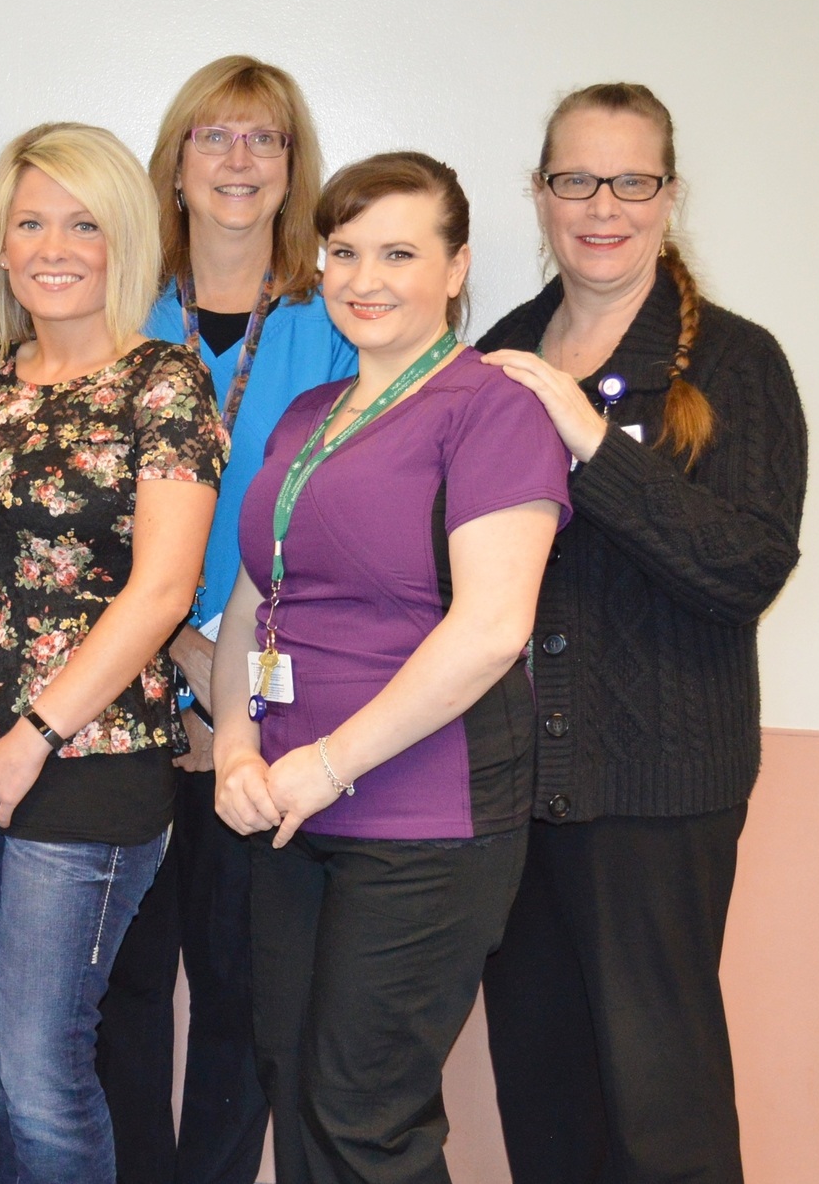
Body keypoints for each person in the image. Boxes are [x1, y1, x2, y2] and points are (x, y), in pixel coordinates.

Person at [210, 151, 569, 1184]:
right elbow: (249, 603)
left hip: (422, 817)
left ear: (456, 270)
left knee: (364, 1112)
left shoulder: (489, 410)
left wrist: (325, 763)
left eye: (398, 253)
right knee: (293, 1080)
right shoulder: (303, 415)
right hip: (284, 807)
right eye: (343, 252)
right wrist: (235, 745)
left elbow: (492, 628)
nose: (363, 278)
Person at [477, 84, 806, 1184]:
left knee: (660, 1115)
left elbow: (745, 566)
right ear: (539, 193)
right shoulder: (495, 355)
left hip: (661, 786)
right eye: (574, 178)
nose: (600, 205)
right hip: (512, 790)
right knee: (542, 1093)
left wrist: (588, 441)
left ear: (667, 196)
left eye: (629, 180)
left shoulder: (734, 363)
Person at [0, 122, 223, 1184]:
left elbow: (163, 589)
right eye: (31, 220)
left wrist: (31, 738)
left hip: (92, 765)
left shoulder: (164, 384)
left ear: (121, 240)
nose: (53, 245)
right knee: (17, 1062)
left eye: (82, 223)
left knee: (45, 1067)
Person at [97, 54, 355, 1184]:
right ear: (176, 164)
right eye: (214, 136)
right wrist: (177, 650)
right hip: (119, 694)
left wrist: (226, 677)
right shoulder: (115, 306)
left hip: (269, 714)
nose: (238, 160)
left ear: (292, 168)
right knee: (120, 990)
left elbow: (350, 522)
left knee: (243, 995)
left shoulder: (335, 322)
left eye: (264, 139)